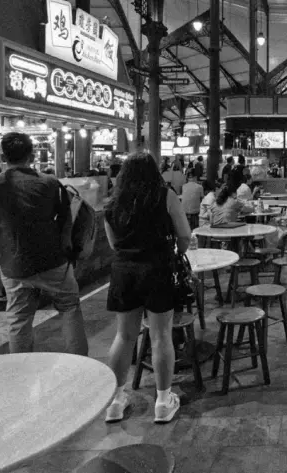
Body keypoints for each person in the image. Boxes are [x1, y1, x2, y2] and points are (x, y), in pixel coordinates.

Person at [0, 132, 87, 355]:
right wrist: (66, 251)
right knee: (70, 309)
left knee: (19, 320)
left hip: (15, 266)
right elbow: (67, 222)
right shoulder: (51, 184)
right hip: (54, 263)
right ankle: (82, 365)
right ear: (32, 155)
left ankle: (22, 373)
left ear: (3, 156)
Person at [101, 152, 191, 424]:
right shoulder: (165, 196)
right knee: (161, 334)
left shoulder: (112, 203)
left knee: (124, 335)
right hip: (158, 267)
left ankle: (115, 401)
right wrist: (176, 252)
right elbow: (184, 235)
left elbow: (114, 244)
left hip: (124, 271)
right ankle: (163, 402)